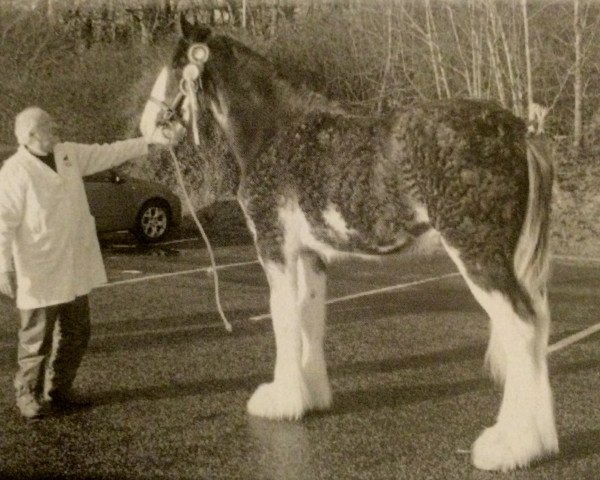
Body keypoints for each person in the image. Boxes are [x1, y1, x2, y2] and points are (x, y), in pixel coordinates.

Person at [0, 106, 162, 419]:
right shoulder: (14, 172)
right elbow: (2, 223)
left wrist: (149, 141)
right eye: (48, 125)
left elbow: (110, 153)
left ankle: (59, 388)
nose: (55, 126)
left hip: (74, 264)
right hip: (40, 267)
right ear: (30, 135)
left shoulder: (68, 154)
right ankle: (27, 396)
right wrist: (3, 266)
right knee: (36, 339)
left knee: (77, 331)